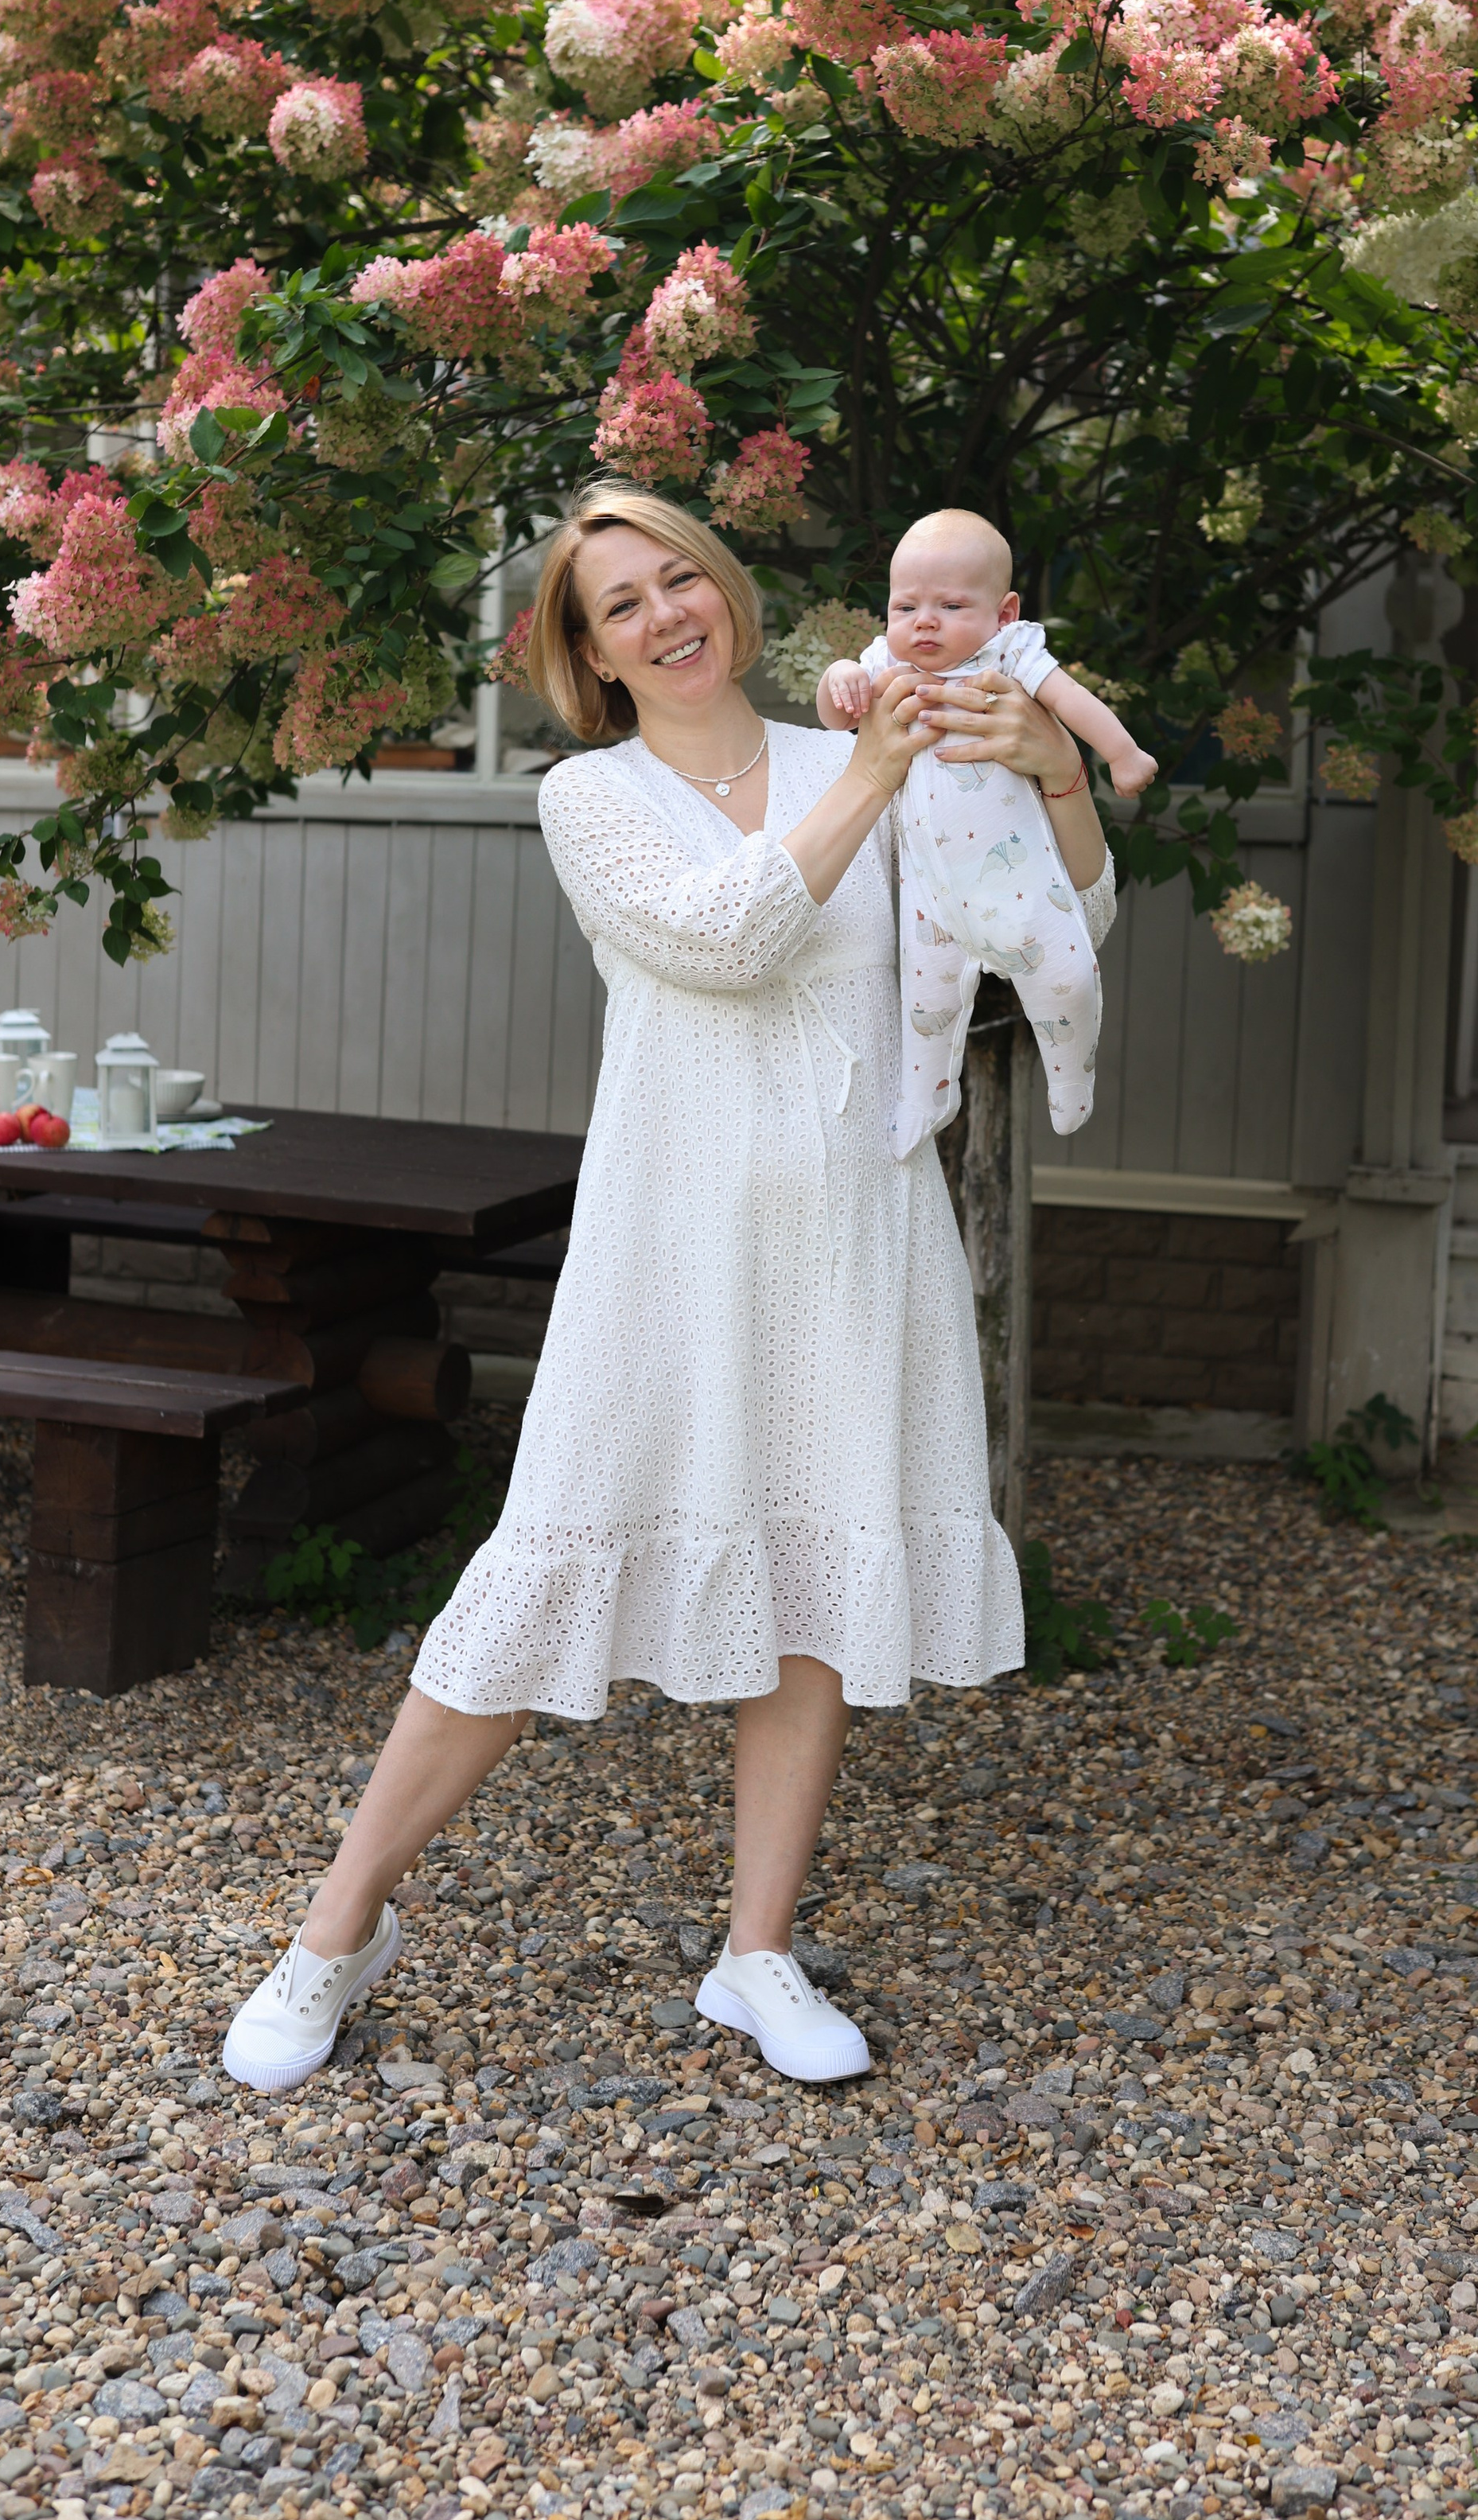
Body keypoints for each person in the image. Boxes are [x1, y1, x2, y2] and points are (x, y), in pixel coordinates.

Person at [221, 481, 1114, 2097]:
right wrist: (867, 775)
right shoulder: (595, 798)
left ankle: (753, 1954)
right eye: (620, 603)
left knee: (809, 1597)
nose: (664, 613)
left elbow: (1051, 920)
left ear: (725, 595)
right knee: (536, 1568)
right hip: (668, 1247)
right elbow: (726, 937)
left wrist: (1058, 786)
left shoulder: (866, 746)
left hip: (855, 1231)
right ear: (592, 654)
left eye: (678, 578)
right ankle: (333, 1934)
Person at [816, 508, 1150, 1158]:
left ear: (1003, 612)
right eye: (905, 605)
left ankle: (1071, 1075)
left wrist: (1122, 753)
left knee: (1068, 981)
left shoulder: (1013, 654)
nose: (925, 621)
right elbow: (836, 720)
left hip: (1024, 883)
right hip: (932, 896)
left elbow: (1074, 703)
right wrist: (840, 681)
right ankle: (925, 1098)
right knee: (926, 1004)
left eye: (950, 604)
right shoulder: (886, 659)